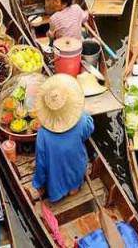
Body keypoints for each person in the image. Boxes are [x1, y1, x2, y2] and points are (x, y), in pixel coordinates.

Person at [32, 74, 94, 202]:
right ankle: (74, 189)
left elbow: (41, 164)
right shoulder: (81, 121)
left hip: (56, 182)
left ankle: (59, 193)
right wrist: (84, 112)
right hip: (76, 171)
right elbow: (89, 128)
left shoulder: (42, 134)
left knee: (55, 181)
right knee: (74, 177)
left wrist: (38, 184)